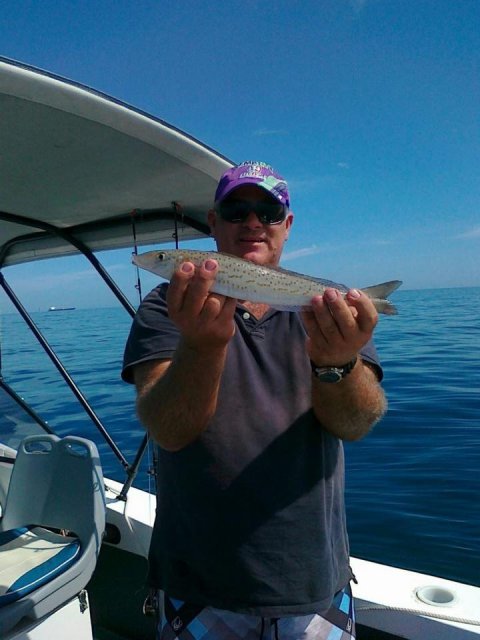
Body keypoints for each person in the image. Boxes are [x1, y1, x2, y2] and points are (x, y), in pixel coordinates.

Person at [122, 161, 386, 639]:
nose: (252, 223)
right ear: (214, 223)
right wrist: (201, 347)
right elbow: (169, 429)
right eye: (236, 209)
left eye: (267, 211)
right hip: (199, 585)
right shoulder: (167, 306)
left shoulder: (328, 311)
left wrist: (337, 363)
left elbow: (356, 422)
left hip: (314, 584)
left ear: (286, 226)